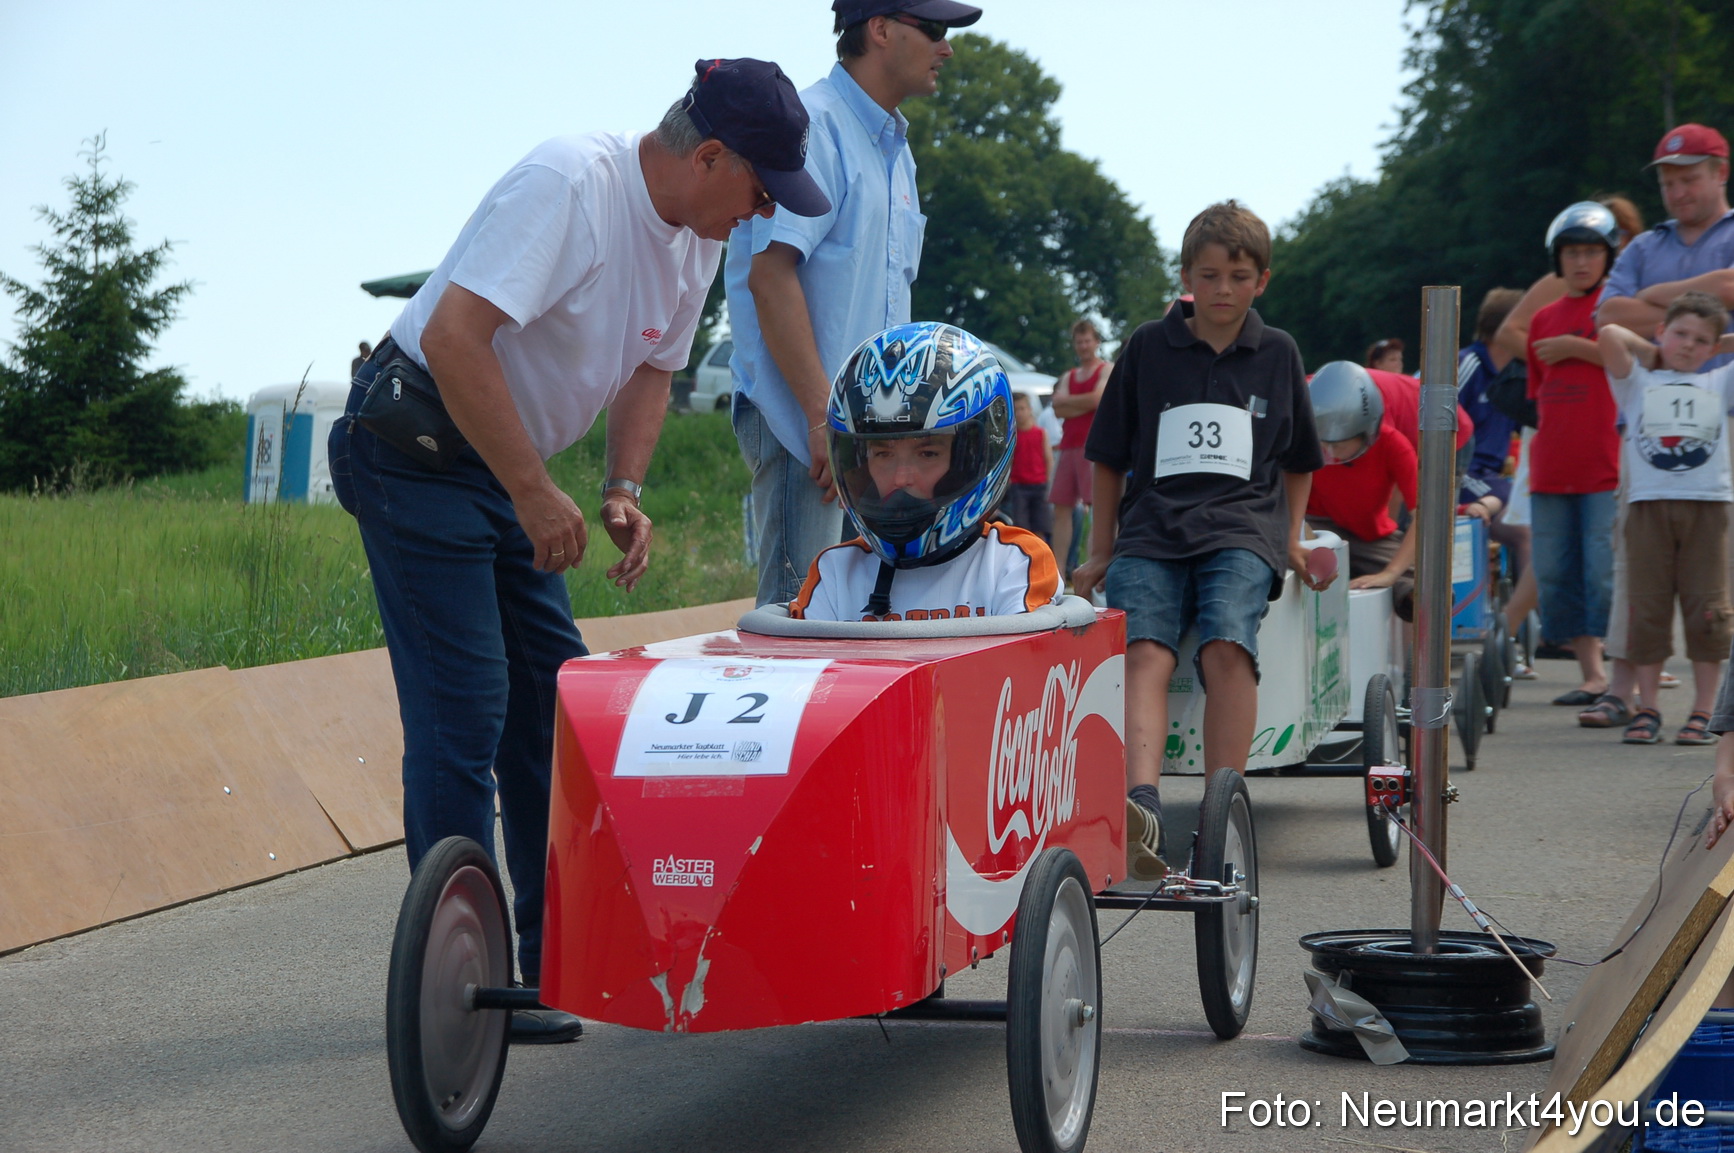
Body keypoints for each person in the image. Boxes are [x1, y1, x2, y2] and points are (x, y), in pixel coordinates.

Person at [328, 59, 828, 1044]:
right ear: (712, 153)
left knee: (557, 708)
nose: (765, 209)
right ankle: (454, 978)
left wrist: (619, 488)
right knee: (467, 708)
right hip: (415, 447)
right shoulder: (572, 184)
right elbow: (460, 337)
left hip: (495, 464)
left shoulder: (697, 240)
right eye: (761, 187)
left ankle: (548, 965)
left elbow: (652, 369)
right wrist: (530, 487)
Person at [1071, 200, 1328, 881]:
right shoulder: (1148, 347)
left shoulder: (1278, 353)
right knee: (1144, 646)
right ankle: (1143, 801)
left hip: (1243, 528)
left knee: (1225, 639)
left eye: (1238, 276)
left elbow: (1300, 457)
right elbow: (1108, 455)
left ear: (1261, 281)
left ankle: (1222, 809)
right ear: (1185, 277)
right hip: (1153, 526)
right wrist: (1102, 547)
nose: (1222, 289)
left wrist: (1294, 539)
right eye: (1208, 274)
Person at [726, 0, 983, 607]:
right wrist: (824, 422)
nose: (947, 48)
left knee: (856, 616)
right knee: (798, 618)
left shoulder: (897, 150)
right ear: (881, 29)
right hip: (806, 431)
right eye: (936, 30)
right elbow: (770, 277)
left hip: (862, 440)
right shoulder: (814, 125)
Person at [789, 322, 1059, 621]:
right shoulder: (836, 573)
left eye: (927, 453)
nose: (901, 477)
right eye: (883, 454)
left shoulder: (1014, 564)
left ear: (968, 461)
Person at [1599, 294, 1734, 744]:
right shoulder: (1638, 383)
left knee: (1707, 609)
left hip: (1707, 506)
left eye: (1701, 340)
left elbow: (1711, 350)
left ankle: (1704, 709)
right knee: (1648, 606)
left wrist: (1720, 345)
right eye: (1680, 334)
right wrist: (1654, 350)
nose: (1689, 345)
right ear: (1662, 332)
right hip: (1648, 505)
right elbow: (1609, 335)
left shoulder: (1719, 380)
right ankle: (1648, 705)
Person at [1526, 201, 1622, 711]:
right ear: (1557, 259)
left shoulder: (1617, 308)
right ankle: (1591, 674)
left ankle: (1616, 670)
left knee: (1602, 570)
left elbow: (1638, 364)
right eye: (1571, 252)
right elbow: (1540, 394)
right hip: (1551, 468)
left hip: (1605, 466)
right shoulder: (1542, 317)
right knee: (1556, 571)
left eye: (1591, 252)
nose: (1581, 262)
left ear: (1609, 257)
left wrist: (1576, 347)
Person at [1304, 362, 1418, 620]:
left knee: (1423, 586)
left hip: (1370, 537)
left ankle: (1416, 657)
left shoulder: (1394, 444)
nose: (1330, 454)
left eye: (1340, 445)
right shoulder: (1302, 439)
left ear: (1367, 432)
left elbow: (1424, 513)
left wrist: (1391, 573)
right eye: (1324, 444)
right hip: (1316, 527)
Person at [1050, 318, 1112, 580]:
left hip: (1093, 446)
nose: (1084, 346)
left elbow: (1099, 399)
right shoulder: (1069, 375)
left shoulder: (1106, 369)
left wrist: (1072, 403)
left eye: (1088, 341)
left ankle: (1093, 568)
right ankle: (1057, 573)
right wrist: (1084, 403)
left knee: (1097, 508)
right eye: (1079, 342)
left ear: (1097, 342)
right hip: (1069, 446)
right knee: (1061, 509)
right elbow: (1057, 406)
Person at [1003, 390, 1053, 540]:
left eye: (1022, 408)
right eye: (1016, 409)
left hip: (1039, 485)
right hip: (1018, 487)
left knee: (1041, 526)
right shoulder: (1011, 435)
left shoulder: (1041, 433)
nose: (1019, 413)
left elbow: (1048, 458)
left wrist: (1048, 482)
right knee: (1021, 528)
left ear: (1030, 409)